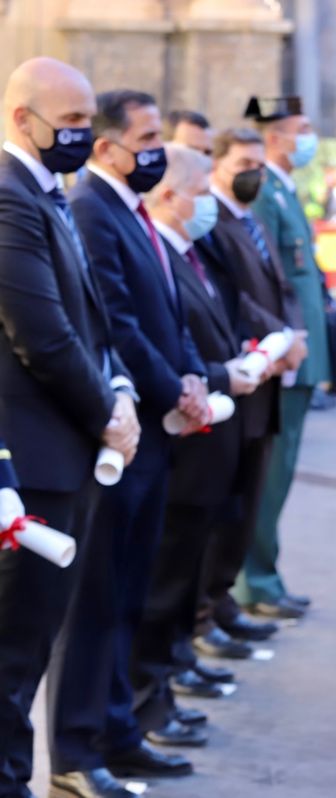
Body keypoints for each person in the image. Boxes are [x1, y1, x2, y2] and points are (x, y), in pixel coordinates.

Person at [52, 89, 211, 786]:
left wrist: (193, 373)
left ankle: (118, 728)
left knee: (127, 594)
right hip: (122, 433)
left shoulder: (130, 209)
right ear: (110, 148)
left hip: (154, 430)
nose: (155, 149)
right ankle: (78, 750)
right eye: (146, 137)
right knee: (97, 601)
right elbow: (115, 320)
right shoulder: (92, 205)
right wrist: (171, 385)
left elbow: (167, 312)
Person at [0, 57, 141, 798]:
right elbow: (42, 334)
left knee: (30, 646)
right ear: (25, 119)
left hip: (70, 451)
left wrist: (118, 392)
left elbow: (92, 322)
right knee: (14, 651)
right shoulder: (8, 195)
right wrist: (107, 417)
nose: (85, 136)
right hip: (35, 463)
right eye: (74, 123)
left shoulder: (47, 193)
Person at [131, 143, 261, 748]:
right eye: (199, 189)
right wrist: (215, 378)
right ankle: (147, 699)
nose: (208, 200)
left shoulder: (191, 249)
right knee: (159, 583)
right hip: (183, 445)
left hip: (211, 438)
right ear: (167, 195)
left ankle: (170, 673)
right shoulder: (158, 249)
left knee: (181, 577)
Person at [194, 126, 307, 650]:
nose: (253, 175)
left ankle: (221, 601)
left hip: (266, 374)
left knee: (245, 500)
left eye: (258, 165)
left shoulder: (249, 219)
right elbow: (235, 298)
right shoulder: (212, 221)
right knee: (219, 507)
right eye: (242, 164)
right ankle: (203, 615)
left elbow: (281, 284)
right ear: (217, 165)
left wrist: (293, 334)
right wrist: (280, 338)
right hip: (243, 372)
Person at [236, 96, 330, 618]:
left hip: (301, 356)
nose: (308, 137)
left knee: (281, 471)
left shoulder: (285, 189)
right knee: (268, 476)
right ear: (275, 136)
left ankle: (262, 577)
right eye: (303, 128)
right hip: (285, 354)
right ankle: (255, 582)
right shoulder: (265, 191)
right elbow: (266, 277)